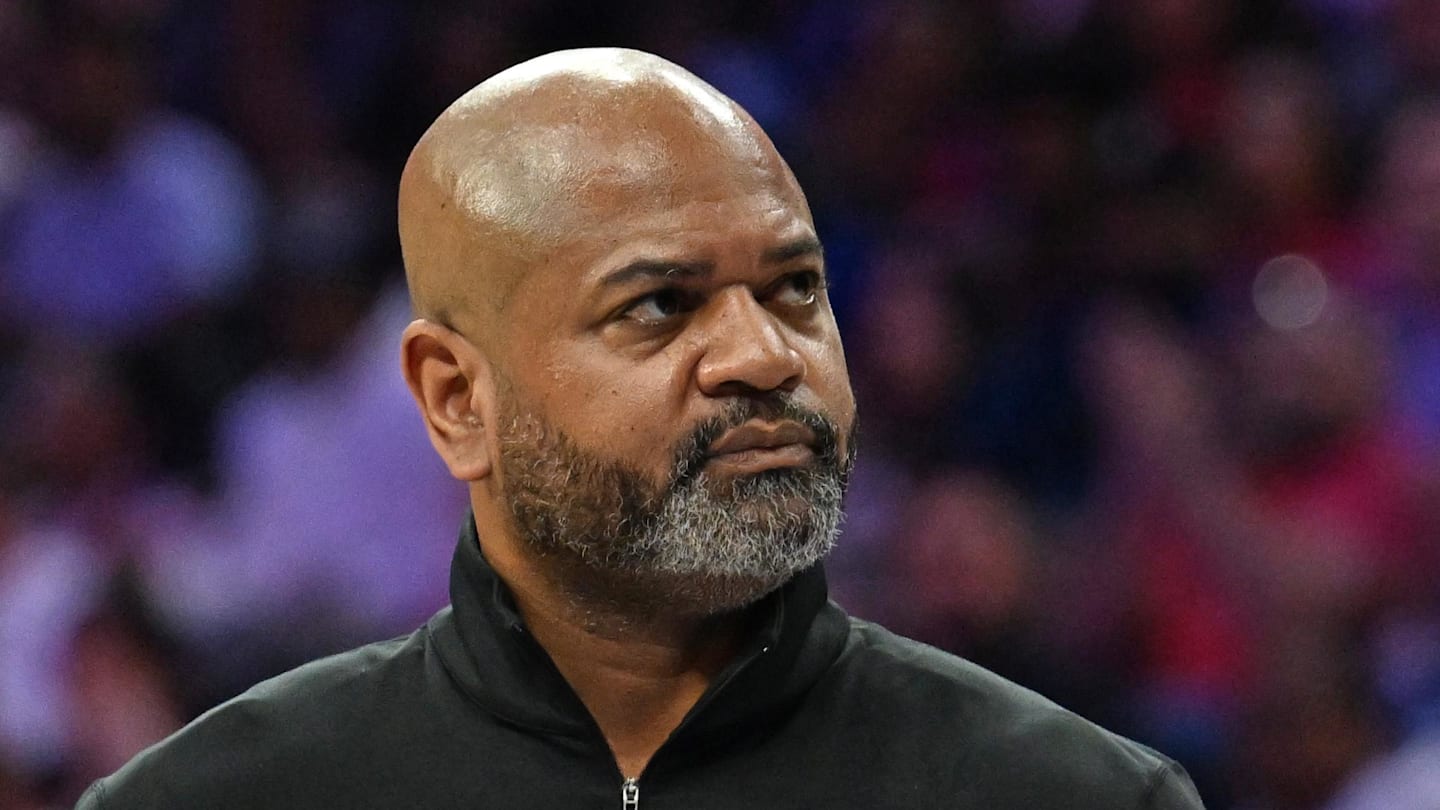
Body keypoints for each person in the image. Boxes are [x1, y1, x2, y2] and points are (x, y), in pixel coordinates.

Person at [77, 48, 1205, 809]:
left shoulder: (1074, 795)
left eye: (795, 290)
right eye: (660, 304)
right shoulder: (214, 799)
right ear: (458, 400)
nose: (765, 355)